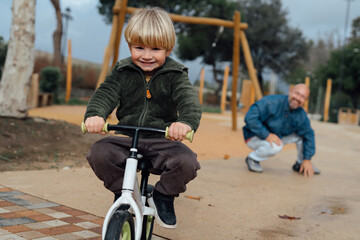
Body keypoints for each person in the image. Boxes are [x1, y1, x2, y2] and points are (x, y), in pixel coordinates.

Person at [84, 8, 202, 229]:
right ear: (130, 47)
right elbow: (105, 94)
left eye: (155, 49)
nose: (146, 56)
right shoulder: (122, 71)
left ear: (168, 49)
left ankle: (164, 196)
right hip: (127, 137)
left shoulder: (176, 75)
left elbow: (189, 102)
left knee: (187, 162)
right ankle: (122, 191)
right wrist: (95, 115)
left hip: (162, 139)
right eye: (139, 48)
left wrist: (184, 123)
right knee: (98, 153)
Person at [242, 83, 320, 178]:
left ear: (305, 101)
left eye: (303, 97)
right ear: (290, 92)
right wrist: (267, 134)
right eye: (297, 94)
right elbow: (250, 118)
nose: (298, 98)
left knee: (301, 137)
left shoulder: (301, 115)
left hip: (276, 136)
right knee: (276, 147)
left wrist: (307, 159)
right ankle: (253, 158)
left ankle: (300, 164)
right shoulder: (271, 102)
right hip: (254, 136)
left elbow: (308, 135)